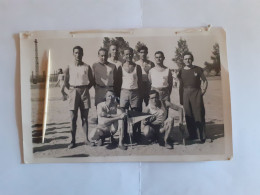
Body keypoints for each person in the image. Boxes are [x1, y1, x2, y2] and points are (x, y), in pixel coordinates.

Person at [62, 46, 94, 149]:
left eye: (80, 53)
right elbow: (66, 82)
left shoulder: (87, 66)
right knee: (73, 118)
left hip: (84, 91)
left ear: (82, 54)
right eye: (76, 53)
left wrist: (84, 89)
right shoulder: (69, 66)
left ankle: (86, 139)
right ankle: (73, 140)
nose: (78, 55)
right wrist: (72, 90)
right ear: (73, 54)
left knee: (84, 118)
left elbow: (92, 81)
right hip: (73, 91)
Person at [178, 52, 208, 143]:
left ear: (192, 59)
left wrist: (203, 91)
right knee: (189, 115)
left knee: (199, 114)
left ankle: (202, 136)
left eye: (189, 58)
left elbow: (205, 81)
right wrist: (181, 99)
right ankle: (192, 135)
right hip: (185, 93)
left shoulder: (198, 69)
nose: (187, 60)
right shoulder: (181, 71)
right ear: (183, 60)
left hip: (196, 92)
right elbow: (180, 85)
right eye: (186, 59)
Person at [116, 47, 143, 143]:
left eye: (130, 54)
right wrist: (118, 97)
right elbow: (118, 83)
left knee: (136, 114)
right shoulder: (120, 67)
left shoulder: (137, 67)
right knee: (123, 115)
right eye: (126, 54)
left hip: (135, 92)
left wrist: (141, 95)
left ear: (133, 54)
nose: (129, 56)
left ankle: (136, 135)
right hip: (124, 92)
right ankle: (124, 136)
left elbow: (140, 82)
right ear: (124, 55)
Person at [148, 51, 183, 119]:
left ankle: (165, 128)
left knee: (165, 112)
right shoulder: (151, 70)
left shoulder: (167, 70)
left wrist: (167, 93)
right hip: (155, 93)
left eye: (160, 57)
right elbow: (149, 83)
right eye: (157, 57)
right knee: (155, 111)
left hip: (165, 94)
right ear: (154, 59)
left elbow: (170, 84)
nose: (158, 59)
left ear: (163, 58)